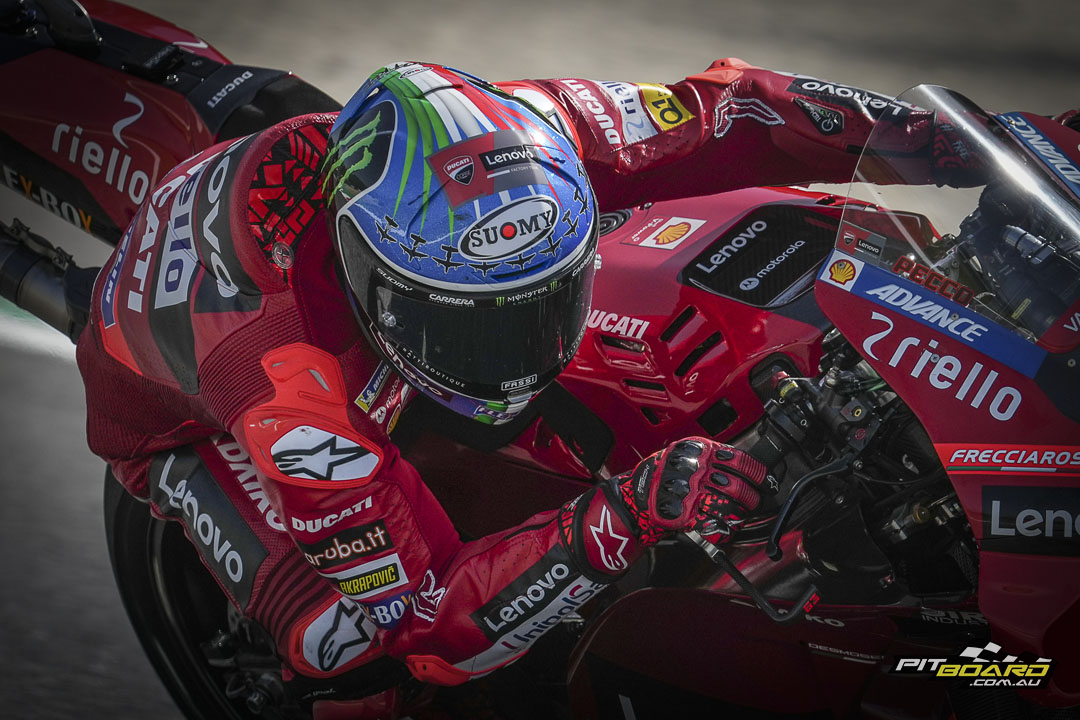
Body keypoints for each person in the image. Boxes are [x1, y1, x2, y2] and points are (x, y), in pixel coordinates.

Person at [75, 57, 964, 705]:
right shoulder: (289, 393)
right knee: (348, 642)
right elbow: (425, 625)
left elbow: (731, 112)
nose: (514, 354)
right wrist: (624, 516)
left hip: (321, 270)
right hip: (183, 425)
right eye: (467, 320)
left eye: (543, 302)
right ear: (366, 268)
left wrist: (940, 138)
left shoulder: (527, 131)